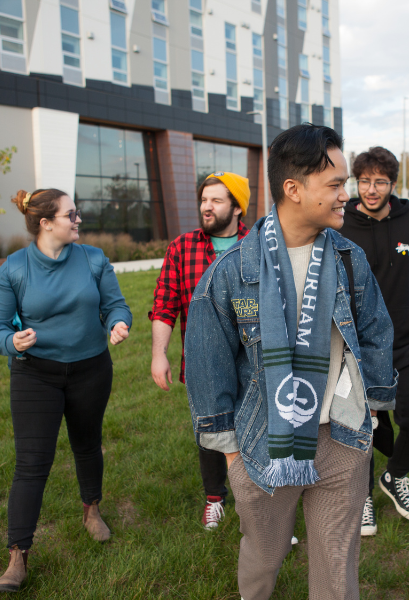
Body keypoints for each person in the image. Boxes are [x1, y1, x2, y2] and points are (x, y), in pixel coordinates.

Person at [185, 124, 397, 600]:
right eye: (336, 185)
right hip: (262, 443)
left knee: (336, 567)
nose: (348, 195)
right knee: (263, 557)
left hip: (341, 439)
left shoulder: (348, 259)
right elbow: (207, 364)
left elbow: (378, 332)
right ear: (293, 189)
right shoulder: (231, 272)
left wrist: (375, 406)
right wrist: (232, 454)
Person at [0, 188, 132, 593]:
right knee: (31, 463)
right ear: (46, 223)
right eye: (71, 214)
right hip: (35, 373)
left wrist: (117, 323)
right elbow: (2, 326)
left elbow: (116, 304)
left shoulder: (93, 258)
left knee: (87, 443)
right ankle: (18, 554)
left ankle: (91, 510)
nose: (78, 220)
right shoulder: (15, 267)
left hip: (91, 368)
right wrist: (12, 342)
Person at [340, 146, 409, 535]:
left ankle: (394, 476)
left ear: (392, 184)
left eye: (380, 181)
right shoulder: (341, 223)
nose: (371, 188)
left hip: (406, 341)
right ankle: (361, 496)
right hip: (357, 346)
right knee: (361, 427)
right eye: (364, 180)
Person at [149, 172, 250, 529]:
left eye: (216, 201)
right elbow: (164, 304)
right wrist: (158, 353)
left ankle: (255, 506)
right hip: (203, 362)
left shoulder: (256, 246)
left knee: (252, 430)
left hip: (251, 360)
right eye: (204, 200)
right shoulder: (182, 247)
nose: (206, 207)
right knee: (209, 429)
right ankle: (215, 497)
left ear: (237, 207)